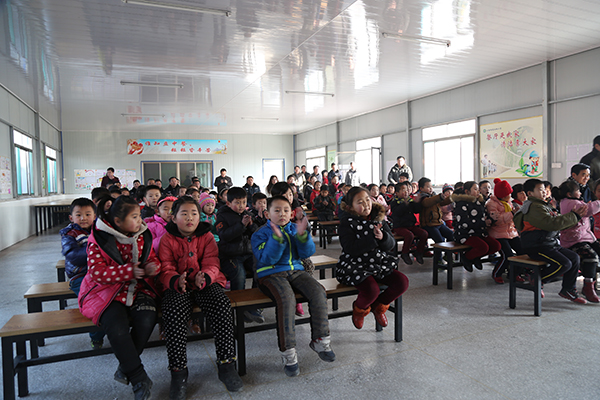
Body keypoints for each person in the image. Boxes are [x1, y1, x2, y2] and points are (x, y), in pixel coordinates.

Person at [158, 197, 243, 397]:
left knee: (222, 306)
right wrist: (175, 280)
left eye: (194, 213)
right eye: (184, 214)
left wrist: (205, 276)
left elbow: (213, 262)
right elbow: (165, 267)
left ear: (200, 217)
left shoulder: (207, 236)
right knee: (173, 312)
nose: (190, 218)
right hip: (177, 285)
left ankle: (226, 365)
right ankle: (178, 372)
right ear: (174, 218)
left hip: (204, 282)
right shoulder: (167, 239)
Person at [78, 196, 161, 400]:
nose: (140, 220)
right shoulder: (99, 238)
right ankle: (138, 377)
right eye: (134, 217)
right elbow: (97, 273)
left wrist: (153, 267)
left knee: (147, 318)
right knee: (116, 327)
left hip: (139, 289)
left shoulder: (142, 235)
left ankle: (126, 367)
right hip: (105, 292)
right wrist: (129, 271)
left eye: (139, 216)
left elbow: (151, 258)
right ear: (117, 221)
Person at [251, 195, 335, 377]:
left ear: (291, 213)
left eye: (286, 210)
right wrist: (276, 239)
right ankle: (288, 352)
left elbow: (307, 253)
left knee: (318, 291)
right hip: (270, 274)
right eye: (277, 210)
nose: (282, 214)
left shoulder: (294, 229)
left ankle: (321, 340)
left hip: (296, 271)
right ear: (267, 214)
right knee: (287, 299)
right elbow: (267, 259)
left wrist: (303, 236)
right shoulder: (260, 234)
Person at [337, 187, 409, 330]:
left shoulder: (378, 217)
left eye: (367, 200)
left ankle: (379, 307)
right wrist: (372, 240)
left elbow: (391, 244)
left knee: (402, 282)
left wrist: (383, 237)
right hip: (355, 266)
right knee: (371, 290)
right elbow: (350, 248)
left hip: (378, 263)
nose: (366, 205)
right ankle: (359, 309)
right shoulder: (347, 222)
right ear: (350, 207)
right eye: (360, 202)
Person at [513, 178, 588, 304]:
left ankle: (568, 289)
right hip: (536, 246)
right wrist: (574, 216)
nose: (544, 192)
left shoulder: (544, 205)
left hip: (548, 243)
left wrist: (574, 217)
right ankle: (538, 278)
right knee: (564, 264)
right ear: (530, 193)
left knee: (574, 258)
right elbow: (551, 224)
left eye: (545, 190)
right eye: (540, 190)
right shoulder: (534, 207)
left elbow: (557, 222)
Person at [61, 198, 105, 349]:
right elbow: (74, 257)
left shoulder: (100, 230)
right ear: (71, 217)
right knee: (95, 304)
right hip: (80, 276)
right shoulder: (69, 234)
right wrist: (97, 252)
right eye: (78, 215)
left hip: (101, 274)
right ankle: (96, 337)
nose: (83, 218)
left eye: (87, 214)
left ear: (95, 216)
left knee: (114, 298)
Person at [215, 187, 263, 323]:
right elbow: (224, 235)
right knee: (239, 275)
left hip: (248, 253)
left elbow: (257, 233)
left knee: (261, 270)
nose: (241, 206)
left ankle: (254, 305)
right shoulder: (222, 215)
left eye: (243, 202)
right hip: (230, 255)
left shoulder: (247, 214)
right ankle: (239, 308)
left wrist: (251, 225)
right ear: (228, 203)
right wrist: (241, 225)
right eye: (237, 202)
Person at [552, 179, 600, 302]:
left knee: (595, 255)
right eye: (578, 191)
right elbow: (589, 210)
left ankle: (591, 283)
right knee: (591, 257)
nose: (580, 193)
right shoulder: (570, 203)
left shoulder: (573, 201)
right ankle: (588, 287)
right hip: (574, 240)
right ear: (569, 194)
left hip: (585, 237)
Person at [453, 181, 501, 272]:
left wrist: (491, 219)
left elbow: (484, 216)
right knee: (483, 247)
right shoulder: (461, 203)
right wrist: (483, 222)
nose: (478, 191)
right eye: (475, 189)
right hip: (465, 234)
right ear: (467, 192)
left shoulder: (479, 202)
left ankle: (476, 257)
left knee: (496, 246)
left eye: (478, 189)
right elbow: (464, 223)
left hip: (479, 232)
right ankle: (467, 257)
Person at [485, 178, 522, 284]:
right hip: (498, 234)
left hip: (511, 232)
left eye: (509, 194)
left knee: (523, 252)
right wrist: (512, 214)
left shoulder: (508, 202)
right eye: (506, 195)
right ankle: (497, 273)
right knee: (507, 255)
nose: (509, 196)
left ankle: (514, 273)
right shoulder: (491, 204)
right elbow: (496, 220)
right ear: (500, 195)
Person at [390, 182, 428, 265]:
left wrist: (417, 202)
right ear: (397, 193)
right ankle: (405, 253)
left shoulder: (410, 201)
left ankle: (419, 252)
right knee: (409, 235)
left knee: (424, 234)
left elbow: (416, 210)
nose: (406, 192)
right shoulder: (394, 202)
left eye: (407, 190)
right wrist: (405, 203)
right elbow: (398, 212)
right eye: (403, 190)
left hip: (410, 225)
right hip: (399, 226)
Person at [417, 177, 454, 244]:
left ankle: (449, 250)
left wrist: (451, 198)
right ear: (421, 188)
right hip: (429, 225)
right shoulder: (422, 198)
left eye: (431, 186)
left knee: (451, 234)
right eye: (428, 187)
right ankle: (438, 251)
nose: (431, 188)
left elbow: (442, 203)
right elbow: (427, 202)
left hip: (438, 222)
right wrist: (439, 197)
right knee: (440, 241)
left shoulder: (434, 196)